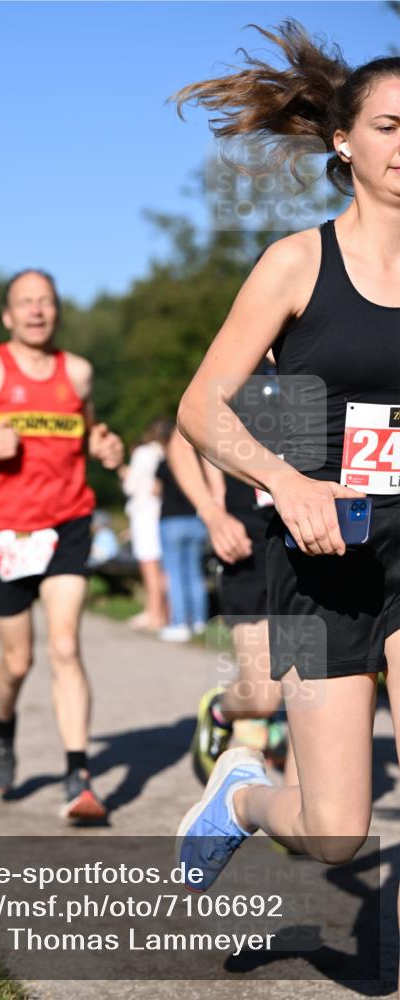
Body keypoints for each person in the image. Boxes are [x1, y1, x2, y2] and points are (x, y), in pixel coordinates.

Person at [172, 22, 400, 891]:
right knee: (335, 835)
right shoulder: (297, 262)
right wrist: (283, 479)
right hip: (321, 554)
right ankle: (239, 796)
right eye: (386, 126)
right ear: (342, 142)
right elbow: (200, 406)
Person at [0, 268, 123, 820]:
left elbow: (90, 430)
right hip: (7, 530)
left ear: (56, 311)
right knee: (18, 661)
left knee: (65, 646)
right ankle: (3, 721)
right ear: (8, 316)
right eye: (25, 303)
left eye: (46, 301)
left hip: (68, 522)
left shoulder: (78, 372)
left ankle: (78, 776)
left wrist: (105, 444)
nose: (37, 311)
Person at [169, 359, 293, 782]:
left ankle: (306, 814)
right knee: (261, 696)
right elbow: (181, 441)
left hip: (318, 539)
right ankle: (222, 710)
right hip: (250, 542)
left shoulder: (330, 353)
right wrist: (213, 514)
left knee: (319, 685)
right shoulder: (242, 362)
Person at [119, 421, 169, 632]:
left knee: (149, 564)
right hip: (161, 512)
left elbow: (131, 486)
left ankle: (154, 613)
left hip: (144, 512)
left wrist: (124, 474)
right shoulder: (166, 453)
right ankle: (164, 612)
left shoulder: (142, 453)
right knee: (163, 568)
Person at [155, 450, 208, 642]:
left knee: (175, 574)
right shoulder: (200, 461)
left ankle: (179, 623)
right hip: (196, 520)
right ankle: (199, 620)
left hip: (171, 521)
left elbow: (156, 490)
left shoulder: (166, 461)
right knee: (195, 572)